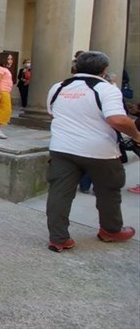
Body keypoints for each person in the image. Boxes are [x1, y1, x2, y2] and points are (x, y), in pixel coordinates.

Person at [44, 51, 140, 252]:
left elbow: (53, 112)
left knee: (59, 193)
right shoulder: (107, 89)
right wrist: (137, 135)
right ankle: (111, 230)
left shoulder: (58, 87)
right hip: (100, 151)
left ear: (77, 66)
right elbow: (117, 119)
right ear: (104, 69)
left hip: (62, 148)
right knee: (108, 192)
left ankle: (58, 238)